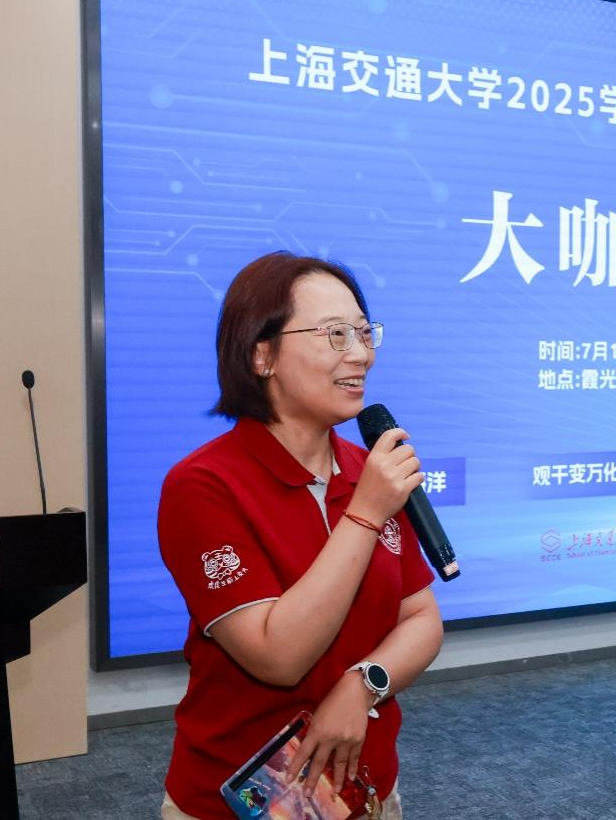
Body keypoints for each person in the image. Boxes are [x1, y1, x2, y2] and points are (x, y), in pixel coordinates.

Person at [157, 252, 443, 819]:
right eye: (335, 334)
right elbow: (277, 656)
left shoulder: (368, 471)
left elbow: (421, 617)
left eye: (364, 332)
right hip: (244, 803)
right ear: (262, 355)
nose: (360, 354)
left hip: (365, 792)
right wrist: (365, 514)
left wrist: (363, 686)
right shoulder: (203, 485)